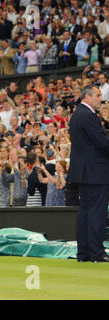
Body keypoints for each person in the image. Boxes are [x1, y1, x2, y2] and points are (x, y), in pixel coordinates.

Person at [68, 85, 109, 263]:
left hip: (84, 172)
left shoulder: (77, 114)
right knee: (96, 212)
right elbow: (102, 143)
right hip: (95, 172)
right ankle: (97, 253)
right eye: (97, 95)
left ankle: (84, 252)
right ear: (87, 97)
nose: (100, 99)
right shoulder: (88, 116)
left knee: (85, 212)